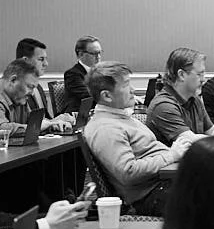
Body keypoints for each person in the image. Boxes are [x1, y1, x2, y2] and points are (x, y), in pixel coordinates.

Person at [83, 62, 193, 216]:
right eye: (126, 85)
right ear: (107, 96)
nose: (133, 90)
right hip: (150, 196)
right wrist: (172, 155)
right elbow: (129, 172)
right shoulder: (105, 128)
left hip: (162, 184)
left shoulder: (120, 117)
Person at [0, 58, 72, 143]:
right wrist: (41, 126)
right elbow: (3, 130)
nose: (31, 93)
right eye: (29, 87)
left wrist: (52, 124)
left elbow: (30, 124)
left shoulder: (18, 97)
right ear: (13, 80)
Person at [147, 48, 214, 146]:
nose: (204, 79)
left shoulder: (194, 99)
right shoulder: (163, 106)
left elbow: (212, 131)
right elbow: (191, 140)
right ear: (181, 75)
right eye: (199, 74)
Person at [15, 38, 74, 127]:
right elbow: (25, 125)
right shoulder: (15, 88)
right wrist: (52, 123)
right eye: (41, 59)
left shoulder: (38, 87)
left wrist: (59, 120)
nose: (46, 64)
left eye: (45, 59)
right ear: (25, 61)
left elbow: (44, 120)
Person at [62, 35, 102, 113]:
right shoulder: (72, 74)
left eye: (99, 52)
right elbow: (88, 96)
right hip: (78, 118)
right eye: (94, 53)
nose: (98, 57)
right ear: (81, 54)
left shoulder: (101, 72)